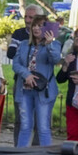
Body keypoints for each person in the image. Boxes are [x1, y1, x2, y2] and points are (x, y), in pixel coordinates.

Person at [13, 15, 62, 147]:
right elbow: (16, 64)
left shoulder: (54, 44)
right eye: (34, 25)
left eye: (40, 25)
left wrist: (50, 44)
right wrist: (26, 75)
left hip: (43, 91)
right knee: (25, 125)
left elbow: (56, 60)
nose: (36, 28)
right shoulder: (23, 44)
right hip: (25, 90)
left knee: (43, 127)